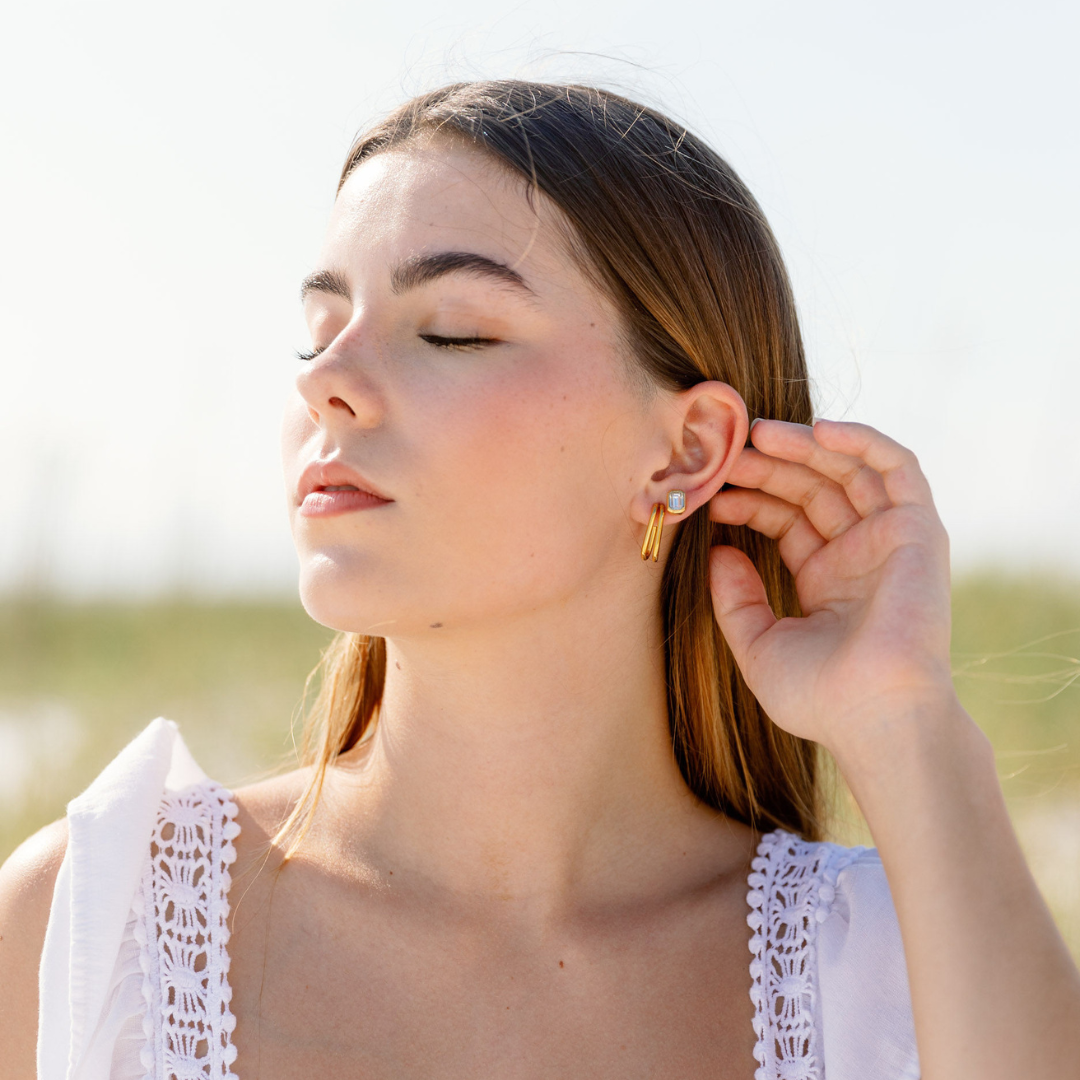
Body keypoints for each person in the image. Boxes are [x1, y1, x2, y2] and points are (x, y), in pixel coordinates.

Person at [1, 79, 1077, 1080]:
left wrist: (905, 721)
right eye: (318, 334)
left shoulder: (895, 974)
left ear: (686, 451)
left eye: (451, 332)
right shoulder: (93, 933)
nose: (327, 381)